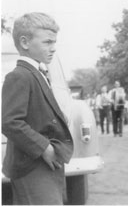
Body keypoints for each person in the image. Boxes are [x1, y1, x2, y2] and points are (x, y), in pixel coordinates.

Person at [2, 12, 74, 204]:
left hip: (42, 164)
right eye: (47, 42)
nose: (53, 48)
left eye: (54, 42)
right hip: (32, 164)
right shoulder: (19, 76)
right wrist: (44, 148)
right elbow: (10, 122)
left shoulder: (37, 72)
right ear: (25, 43)